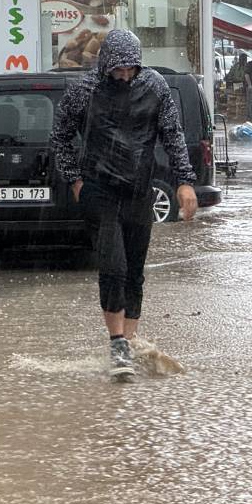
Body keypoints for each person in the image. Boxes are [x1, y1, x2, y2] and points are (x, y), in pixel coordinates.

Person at [51, 29, 198, 382]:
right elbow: (60, 136)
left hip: (138, 191)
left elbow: (172, 135)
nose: (124, 74)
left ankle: (128, 346)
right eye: (118, 69)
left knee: (134, 271)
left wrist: (184, 182)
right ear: (106, 65)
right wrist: (75, 180)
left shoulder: (155, 87)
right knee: (113, 267)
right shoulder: (85, 90)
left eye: (130, 68)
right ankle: (117, 341)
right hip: (99, 191)